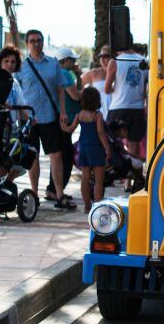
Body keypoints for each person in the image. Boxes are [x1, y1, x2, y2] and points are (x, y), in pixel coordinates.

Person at [17, 29, 76, 209]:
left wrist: (63, 111)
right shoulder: (21, 66)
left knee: (56, 156)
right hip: (30, 120)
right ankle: (34, 195)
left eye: (39, 40)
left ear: (43, 43)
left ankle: (59, 194)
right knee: (32, 157)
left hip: (50, 116)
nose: (36, 43)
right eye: (32, 41)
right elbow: (16, 91)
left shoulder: (53, 64)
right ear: (27, 44)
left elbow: (61, 88)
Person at [61, 87, 111, 213]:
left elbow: (71, 129)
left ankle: (87, 205)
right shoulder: (97, 115)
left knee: (85, 177)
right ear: (96, 100)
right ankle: (98, 206)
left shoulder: (80, 114)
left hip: (83, 148)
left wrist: (63, 126)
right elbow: (100, 132)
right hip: (96, 148)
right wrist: (107, 147)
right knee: (99, 179)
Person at [45, 47, 82, 201]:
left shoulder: (61, 73)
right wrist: (88, 93)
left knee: (59, 156)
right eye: (72, 60)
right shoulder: (65, 73)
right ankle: (54, 190)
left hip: (60, 120)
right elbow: (76, 96)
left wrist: (79, 77)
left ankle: (53, 189)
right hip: (64, 121)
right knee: (65, 157)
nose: (74, 62)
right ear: (66, 61)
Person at [0, 47, 30, 181]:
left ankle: (3, 185)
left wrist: (31, 120)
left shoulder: (14, 83)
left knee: (26, 158)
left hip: (12, 128)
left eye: (13, 62)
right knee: (0, 163)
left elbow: (21, 107)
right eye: (6, 61)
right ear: (0, 62)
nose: (9, 64)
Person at [105, 43, 147, 158]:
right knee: (135, 146)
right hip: (137, 109)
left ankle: (120, 172)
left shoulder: (115, 61)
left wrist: (118, 88)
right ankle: (135, 173)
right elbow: (147, 89)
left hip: (118, 107)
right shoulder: (144, 61)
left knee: (113, 144)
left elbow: (107, 89)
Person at [81, 45, 113, 119]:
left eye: (106, 56)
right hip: (98, 115)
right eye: (100, 56)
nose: (102, 59)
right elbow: (78, 86)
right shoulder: (94, 73)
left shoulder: (119, 72)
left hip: (115, 113)